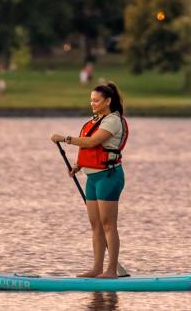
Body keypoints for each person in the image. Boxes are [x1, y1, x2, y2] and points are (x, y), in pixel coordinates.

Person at [51, 82, 129, 279]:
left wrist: (65, 138)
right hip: (92, 178)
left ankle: (111, 271)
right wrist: (79, 166)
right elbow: (89, 150)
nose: (92, 103)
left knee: (108, 224)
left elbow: (93, 142)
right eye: (91, 100)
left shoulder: (112, 121)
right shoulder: (95, 120)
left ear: (108, 101)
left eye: (96, 100)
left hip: (109, 177)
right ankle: (97, 268)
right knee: (95, 225)